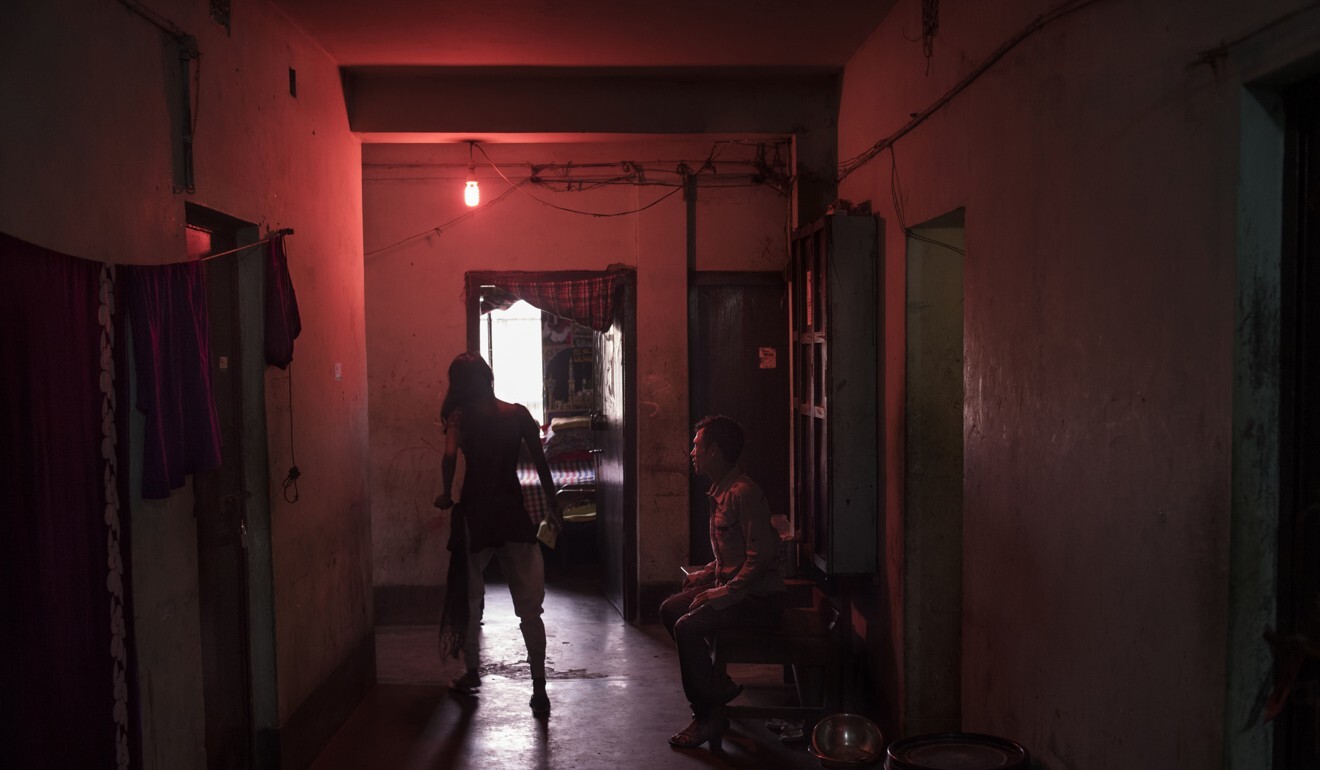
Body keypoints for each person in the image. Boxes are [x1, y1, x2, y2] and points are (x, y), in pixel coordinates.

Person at [433, 352, 560, 716]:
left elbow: (449, 455)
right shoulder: (518, 413)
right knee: (530, 610)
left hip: (477, 514)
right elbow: (541, 462)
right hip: (512, 514)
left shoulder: (460, 416)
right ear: (488, 378)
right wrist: (553, 506)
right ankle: (539, 687)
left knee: (472, 601)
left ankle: (472, 673)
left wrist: (445, 493)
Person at [660, 415, 786, 749]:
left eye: (697, 445)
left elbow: (760, 558)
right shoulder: (722, 492)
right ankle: (720, 687)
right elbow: (735, 552)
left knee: (687, 627)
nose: (692, 452)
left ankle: (706, 717)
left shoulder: (744, 493)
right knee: (670, 609)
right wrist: (707, 573)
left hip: (758, 599)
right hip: (737, 590)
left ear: (715, 451)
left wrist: (720, 594)